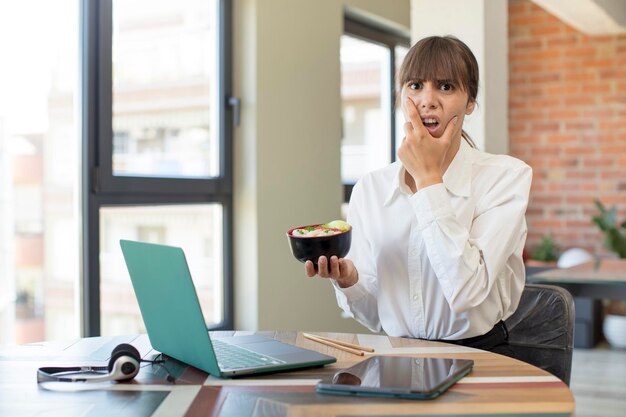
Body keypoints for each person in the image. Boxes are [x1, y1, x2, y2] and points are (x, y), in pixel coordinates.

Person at [304, 35, 532, 353]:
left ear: (470, 102)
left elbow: (467, 292)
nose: (428, 100)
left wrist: (428, 179)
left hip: (481, 354)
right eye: (415, 85)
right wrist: (350, 280)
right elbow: (374, 316)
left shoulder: (506, 177)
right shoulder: (370, 189)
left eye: (446, 87)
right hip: (397, 354)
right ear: (401, 96)